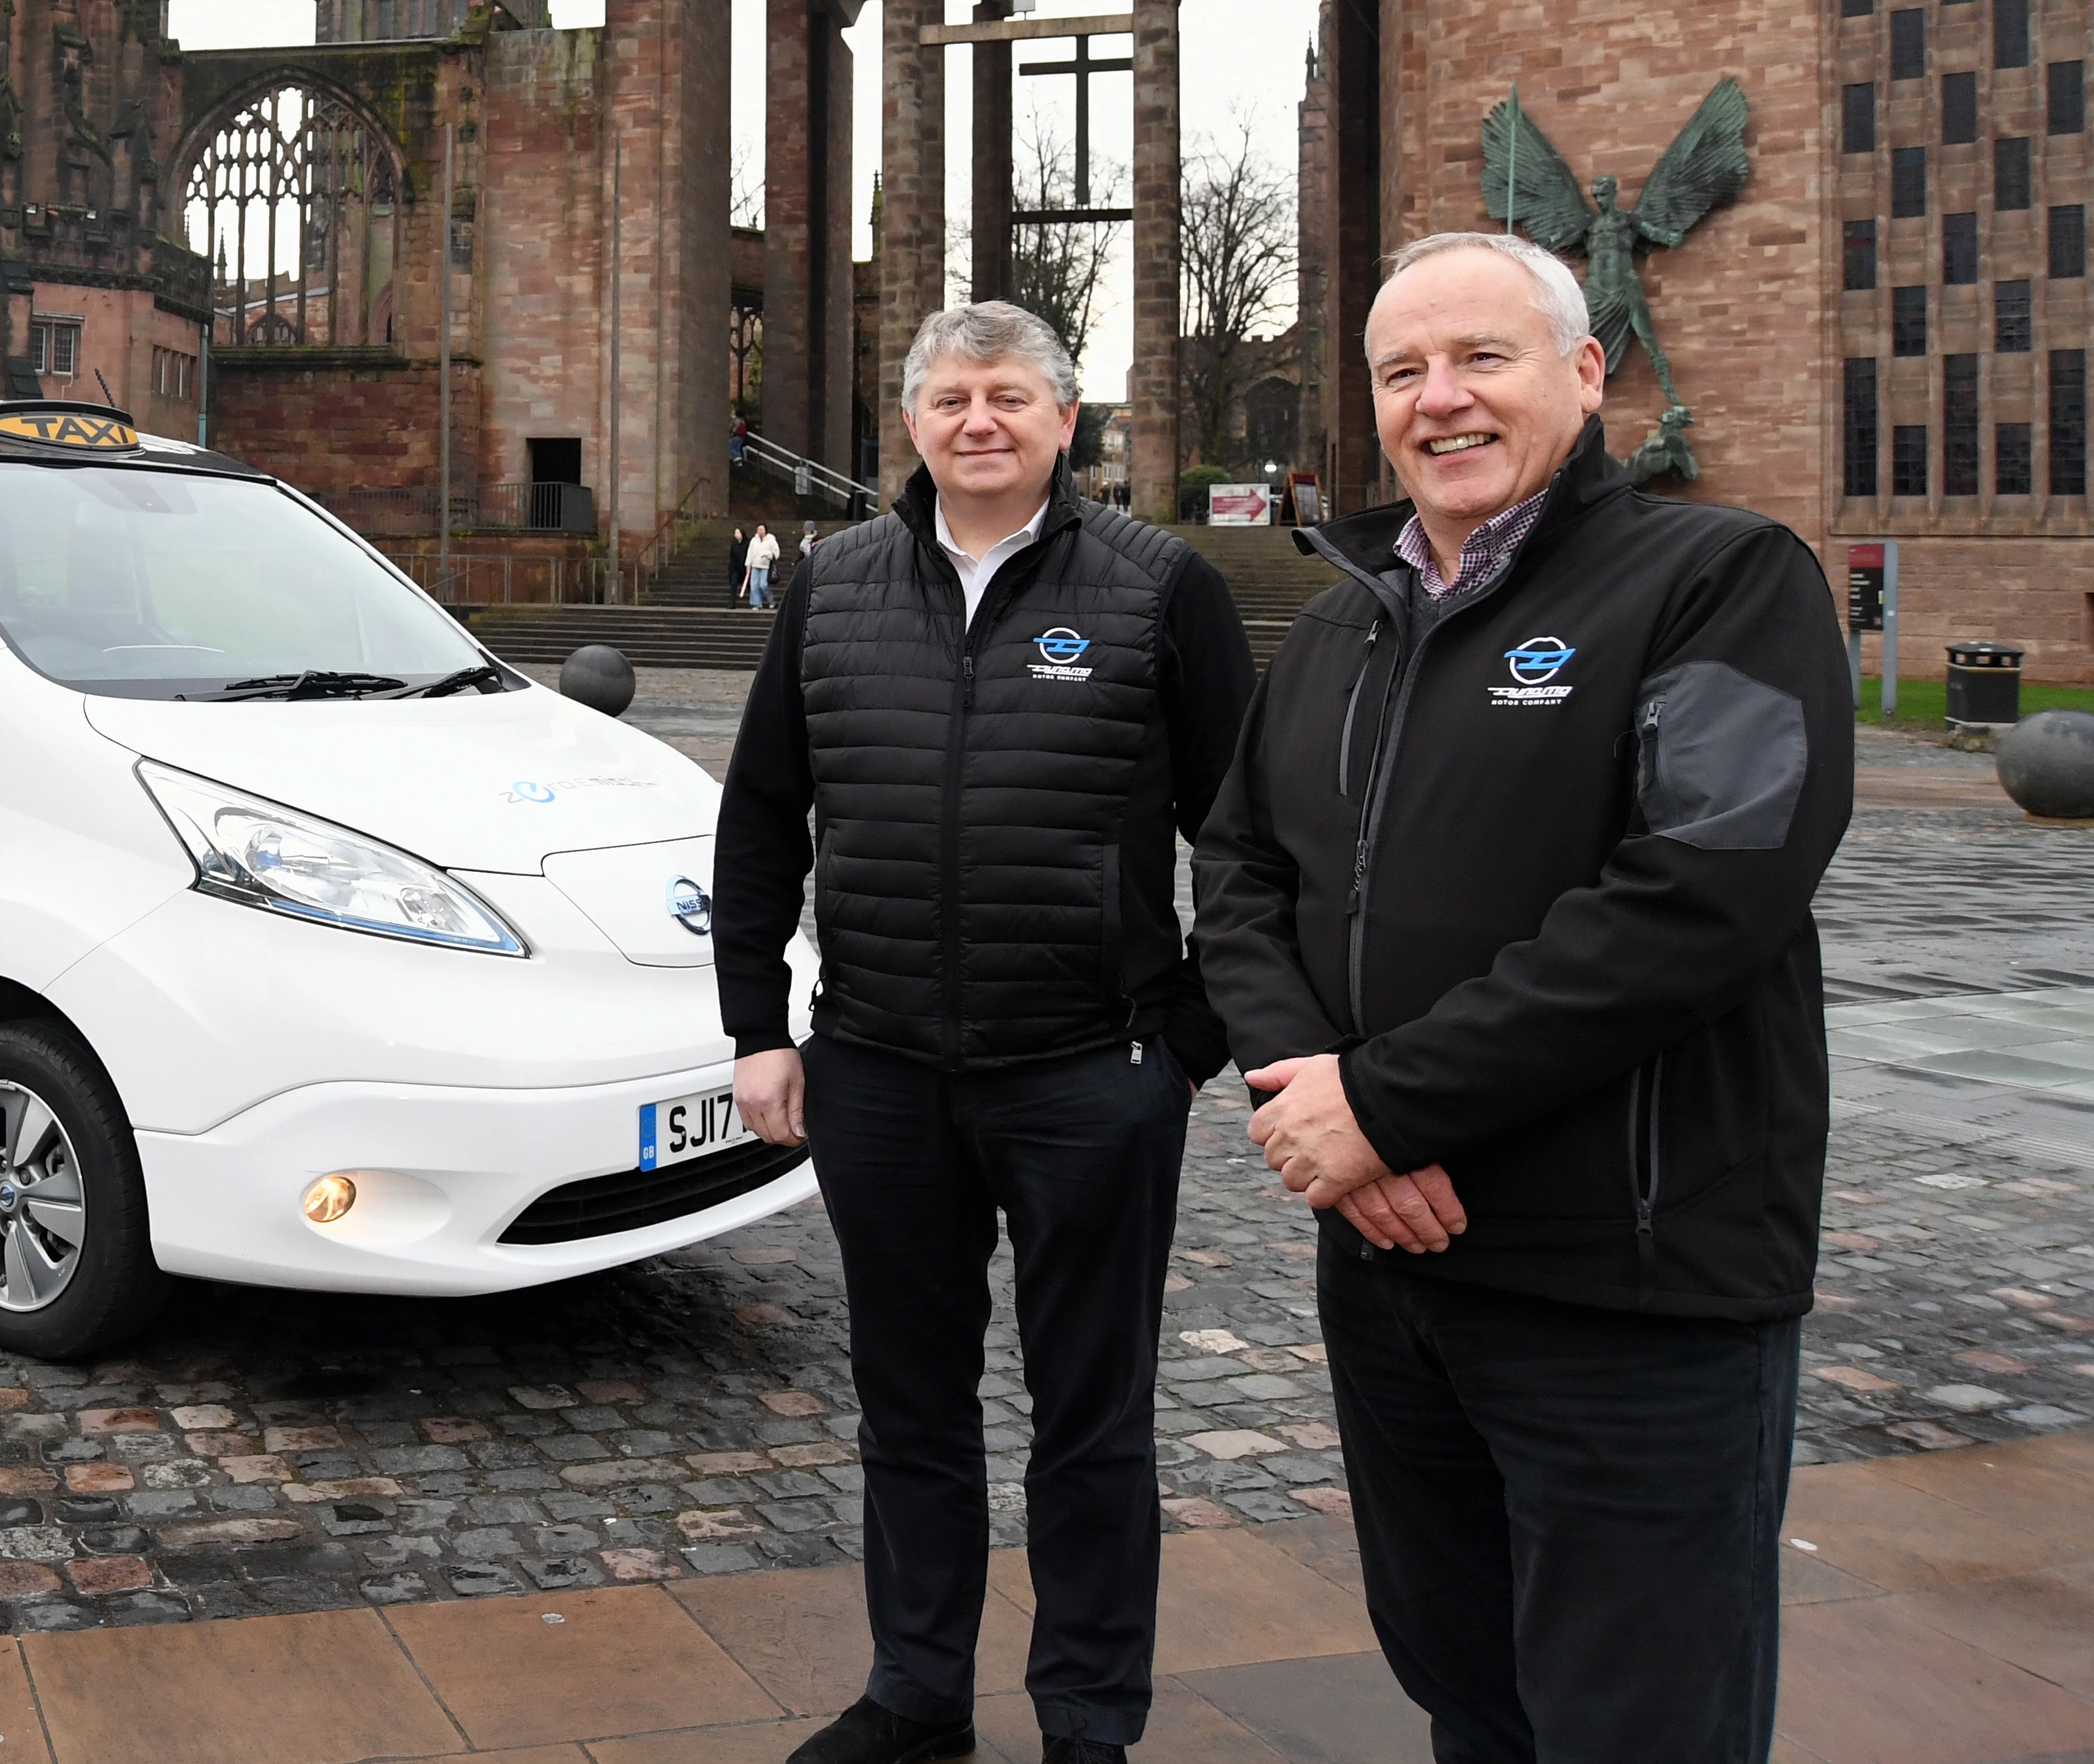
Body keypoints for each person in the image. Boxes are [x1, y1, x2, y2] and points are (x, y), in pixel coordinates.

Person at [1194, 230, 1851, 1764]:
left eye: (1480, 357)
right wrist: (1308, 1083)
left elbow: (1701, 896)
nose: (1440, 400)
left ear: (1583, 372)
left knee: (1638, 1720)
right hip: (1395, 1270)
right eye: (1402, 371)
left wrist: (1386, 1102)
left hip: (1630, 1285)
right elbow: (1236, 870)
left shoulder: (1719, 579)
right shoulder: (1344, 622)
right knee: (1465, 1687)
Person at [711, 303, 1255, 1764]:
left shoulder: (1160, 588)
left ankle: (1088, 1713)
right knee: (910, 1403)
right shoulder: (831, 589)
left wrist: (1185, 1040)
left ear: (1066, 420)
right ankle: (916, 1691)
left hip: (1091, 1072)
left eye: (1011, 395)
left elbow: (1252, 840)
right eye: (950, 396)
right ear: (912, 421)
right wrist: (758, 1028)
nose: (979, 420)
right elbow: (761, 815)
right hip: (881, 1069)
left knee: (1093, 1414)